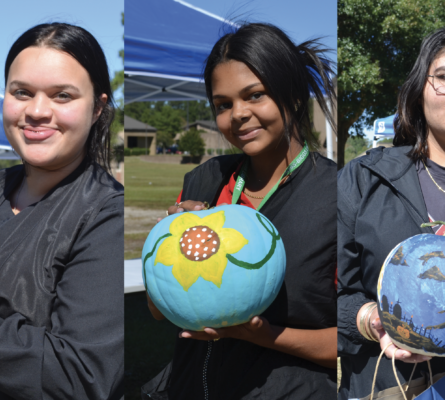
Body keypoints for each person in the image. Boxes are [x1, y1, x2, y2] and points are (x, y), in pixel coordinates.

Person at [145, 23, 338, 399]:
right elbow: (158, 309)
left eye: (255, 95)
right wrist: (164, 242)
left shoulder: (336, 194)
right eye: (223, 105)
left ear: (294, 96)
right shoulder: (204, 180)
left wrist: (263, 335)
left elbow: (354, 343)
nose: (238, 114)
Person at [0, 23, 123, 400]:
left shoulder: (108, 216)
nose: (37, 111)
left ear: (97, 109)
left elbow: (82, 377)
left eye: (62, 96)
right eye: (22, 92)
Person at [338, 28, 445, 400]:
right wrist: (371, 320)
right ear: (420, 88)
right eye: (444, 77)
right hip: (392, 385)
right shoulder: (365, 178)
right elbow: (324, 291)